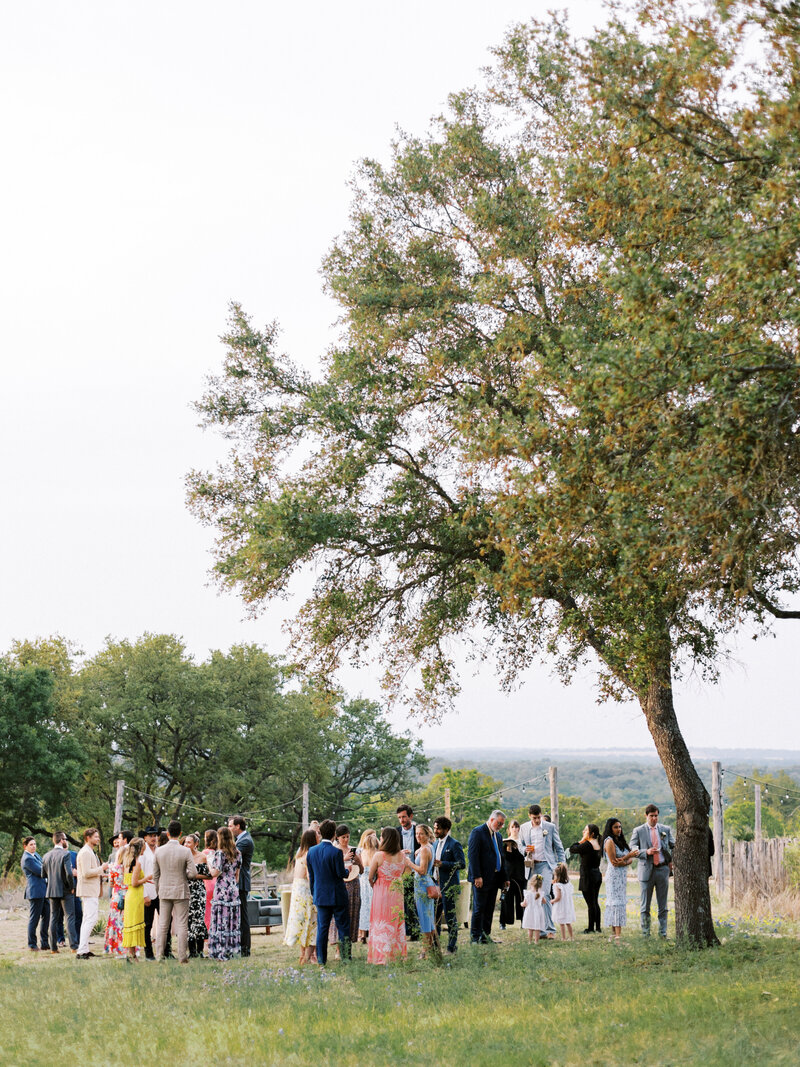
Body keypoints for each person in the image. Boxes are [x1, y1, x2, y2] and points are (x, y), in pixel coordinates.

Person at [307, 819, 351, 966]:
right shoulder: (336, 852)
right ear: (334, 834)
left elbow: (312, 877)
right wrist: (348, 870)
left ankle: (321, 960)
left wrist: (314, 893)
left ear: (320, 832)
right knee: (343, 927)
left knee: (322, 929)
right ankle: (346, 958)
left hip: (320, 896)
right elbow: (341, 874)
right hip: (338, 895)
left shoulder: (311, 852)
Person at [153, 819, 197, 964]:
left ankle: (159, 955)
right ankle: (182, 957)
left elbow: (155, 874)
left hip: (164, 890)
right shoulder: (185, 851)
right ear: (180, 833)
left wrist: (159, 889)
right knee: (182, 924)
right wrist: (184, 874)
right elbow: (193, 873)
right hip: (181, 890)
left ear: (167, 833)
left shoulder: (159, 851)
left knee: (163, 925)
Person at [519, 804, 566, 939]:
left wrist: (561, 864)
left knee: (544, 895)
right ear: (529, 816)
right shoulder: (524, 828)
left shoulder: (549, 827)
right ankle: (540, 930)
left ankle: (550, 929)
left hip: (546, 864)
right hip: (531, 865)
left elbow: (559, 846)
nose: (537, 820)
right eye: (534, 818)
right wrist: (525, 850)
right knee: (533, 897)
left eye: (539, 817)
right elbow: (520, 845)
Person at [629, 805, 675, 939]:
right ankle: (646, 934)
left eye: (656, 816)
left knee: (663, 905)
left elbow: (674, 845)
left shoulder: (665, 829)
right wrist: (645, 852)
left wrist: (671, 861)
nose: (654, 818)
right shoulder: (638, 831)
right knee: (645, 906)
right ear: (646, 816)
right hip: (646, 870)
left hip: (662, 869)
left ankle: (663, 933)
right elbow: (633, 848)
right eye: (651, 816)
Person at [467, 809, 509, 945]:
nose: (500, 826)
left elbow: (501, 858)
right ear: (491, 820)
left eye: (502, 824)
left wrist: (505, 878)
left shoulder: (498, 836)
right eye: (499, 823)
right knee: (479, 908)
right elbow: (472, 856)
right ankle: (475, 937)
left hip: (495, 878)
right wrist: (477, 876)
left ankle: (485, 936)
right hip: (481, 878)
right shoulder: (478, 832)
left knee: (489, 908)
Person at [367, 827, 407, 965]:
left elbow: (370, 876)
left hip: (382, 891)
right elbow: (404, 874)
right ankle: (396, 954)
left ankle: (381, 956)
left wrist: (375, 886)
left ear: (386, 839)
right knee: (395, 920)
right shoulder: (402, 855)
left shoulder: (379, 855)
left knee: (381, 920)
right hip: (397, 891)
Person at [405, 823, 442, 962]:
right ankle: (432, 947)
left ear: (427, 834)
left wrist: (408, 862)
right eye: (416, 834)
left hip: (423, 885)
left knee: (425, 918)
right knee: (427, 916)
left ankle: (425, 950)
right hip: (420, 884)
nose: (418, 836)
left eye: (421, 833)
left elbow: (422, 871)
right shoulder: (423, 848)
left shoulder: (426, 849)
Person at [283, 828, 319, 964]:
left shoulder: (300, 854)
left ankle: (303, 953)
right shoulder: (309, 854)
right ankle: (309, 955)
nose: (319, 838)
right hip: (306, 890)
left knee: (302, 920)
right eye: (317, 836)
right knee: (311, 920)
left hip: (297, 890)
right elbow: (310, 876)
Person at [208, 825, 242, 960]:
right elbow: (237, 875)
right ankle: (231, 949)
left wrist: (209, 864)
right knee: (232, 920)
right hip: (233, 888)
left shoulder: (220, 853)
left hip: (222, 888)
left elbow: (215, 873)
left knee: (221, 918)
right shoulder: (238, 853)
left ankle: (220, 950)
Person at [432, 816, 465, 955]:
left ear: (446, 829)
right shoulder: (434, 844)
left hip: (449, 885)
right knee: (435, 916)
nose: (435, 831)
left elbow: (461, 864)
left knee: (450, 916)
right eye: (434, 828)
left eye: (438, 828)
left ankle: (452, 946)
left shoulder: (454, 844)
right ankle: (436, 945)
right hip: (435, 885)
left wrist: (443, 864)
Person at [602, 817, 638, 945]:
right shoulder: (609, 841)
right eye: (616, 827)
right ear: (610, 828)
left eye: (620, 827)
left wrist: (625, 860)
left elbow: (627, 861)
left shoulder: (619, 841)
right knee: (615, 904)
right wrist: (628, 856)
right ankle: (617, 936)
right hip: (614, 877)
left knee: (619, 903)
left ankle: (614, 935)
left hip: (622, 877)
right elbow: (614, 862)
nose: (619, 829)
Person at [76, 827, 109, 959]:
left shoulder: (90, 851)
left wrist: (104, 872)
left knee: (88, 919)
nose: (98, 839)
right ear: (88, 838)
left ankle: (83, 949)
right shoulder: (85, 852)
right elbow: (86, 873)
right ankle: (81, 950)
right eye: (96, 837)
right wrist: (102, 868)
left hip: (92, 890)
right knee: (91, 919)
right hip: (88, 890)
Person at [42, 831, 78, 953]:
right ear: (62, 840)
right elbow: (68, 873)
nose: (66, 841)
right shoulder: (65, 854)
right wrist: (71, 886)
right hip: (65, 890)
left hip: (51, 890)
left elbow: (43, 874)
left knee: (53, 918)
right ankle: (73, 946)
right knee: (70, 917)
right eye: (66, 839)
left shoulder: (46, 855)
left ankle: (53, 948)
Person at [567, 823, 603, 933]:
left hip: (588, 876)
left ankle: (590, 928)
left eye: (585, 830)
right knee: (595, 902)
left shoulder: (587, 844)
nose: (583, 832)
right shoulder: (598, 843)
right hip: (597, 874)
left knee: (590, 903)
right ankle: (597, 927)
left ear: (591, 833)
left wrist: (581, 840)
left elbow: (572, 849)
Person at [104, 828, 133, 958]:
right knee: (124, 920)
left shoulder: (121, 855)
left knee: (118, 920)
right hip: (127, 891)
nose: (118, 841)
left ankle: (119, 947)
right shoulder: (133, 855)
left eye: (120, 838)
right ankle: (127, 947)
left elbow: (112, 881)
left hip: (119, 892)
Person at [228, 815, 254, 956]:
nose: (229, 828)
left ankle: (245, 948)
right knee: (239, 915)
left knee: (243, 916)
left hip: (242, 881)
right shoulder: (241, 839)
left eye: (231, 826)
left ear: (238, 826)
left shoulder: (244, 841)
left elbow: (232, 856)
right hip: (239, 880)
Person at [121, 838, 150, 961]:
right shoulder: (137, 863)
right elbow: (135, 882)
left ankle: (131, 954)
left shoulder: (128, 861)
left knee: (130, 924)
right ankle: (132, 955)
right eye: (144, 846)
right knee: (134, 923)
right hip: (135, 895)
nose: (145, 848)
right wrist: (147, 877)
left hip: (130, 895)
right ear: (140, 848)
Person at [396, 804, 420, 942]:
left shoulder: (419, 830)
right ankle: (408, 931)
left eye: (404, 817)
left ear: (411, 816)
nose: (402, 820)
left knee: (417, 900)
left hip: (417, 870)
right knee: (405, 902)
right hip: (402, 872)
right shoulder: (395, 832)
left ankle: (418, 930)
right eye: (399, 817)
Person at [21, 837, 49, 952]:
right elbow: (41, 871)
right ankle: (32, 944)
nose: (34, 846)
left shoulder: (35, 855)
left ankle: (45, 943)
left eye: (35, 844)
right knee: (34, 919)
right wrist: (53, 869)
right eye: (31, 844)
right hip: (35, 892)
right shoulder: (27, 859)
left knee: (47, 916)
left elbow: (44, 865)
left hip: (44, 891)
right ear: (25, 846)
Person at [184, 833, 210, 958]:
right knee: (188, 920)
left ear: (196, 844)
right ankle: (191, 951)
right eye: (185, 842)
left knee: (198, 919)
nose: (186, 844)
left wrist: (194, 875)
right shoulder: (183, 857)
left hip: (198, 890)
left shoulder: (202, 857)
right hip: (186, 890)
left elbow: (208, 875)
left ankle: (200, 951)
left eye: (189, 842)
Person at [499, 820, 525, 930]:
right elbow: (505, 858)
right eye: (512, 827)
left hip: (520, 873)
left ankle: (524, 921)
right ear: (509, 829)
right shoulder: (505, 842)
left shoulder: (522, 841)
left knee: (521, 898)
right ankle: (503, 922)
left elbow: (522, 857)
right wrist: (509, 848)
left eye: (516, 827)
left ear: (519, 829)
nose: (514, 829)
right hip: (508, 874)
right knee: (506, 899)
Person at [140, 826, 160, 959]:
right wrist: (144, 895)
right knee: (147, 923)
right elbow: (140, 875)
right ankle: (148, 953)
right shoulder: (143, 853)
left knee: (166, 922)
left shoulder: (159, 850)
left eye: (155, 835)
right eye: (151, 835)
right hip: (148, 891)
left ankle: (166, 950)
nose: (154, 838)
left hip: (161, 891)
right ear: (145, 838)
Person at [356, 829, 379, 944]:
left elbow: (359, 869)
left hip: (363, 883)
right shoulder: (377, 853)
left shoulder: (362, 852)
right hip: (374, 883)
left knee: (363, 908)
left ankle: (362, 934)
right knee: (374, 908)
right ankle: (373, 933)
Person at [550, 862, 576, 940]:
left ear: (557, 875)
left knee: (562, 923)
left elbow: (558, 897)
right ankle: (571, 937)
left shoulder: (557, 885)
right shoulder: (568, 884)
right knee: (568, 923)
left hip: (561, 906)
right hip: (567, 906)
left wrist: (552, 901)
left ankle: (563, 938)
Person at [521, 873, 547, 944]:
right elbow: (544, 902)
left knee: (530, 928)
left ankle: (530, 941)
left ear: (531, 883)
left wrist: (521, 904)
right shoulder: (540, 893)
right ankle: (536, 941)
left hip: (530, 912)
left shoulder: (528, 893)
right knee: (537, 928)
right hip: (538, 912)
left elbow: (524, 904)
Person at [202, 828, 218, 935]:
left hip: (206, 883)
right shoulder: (218, 853)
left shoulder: (204, 853)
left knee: (207, 910)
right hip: (216, 882)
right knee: (215, 909)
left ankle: (207, 933)